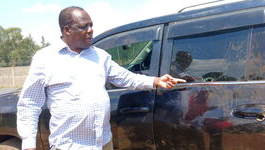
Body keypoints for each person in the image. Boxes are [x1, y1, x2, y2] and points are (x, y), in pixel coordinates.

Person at [16, 6, 186, 150]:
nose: (90, 31)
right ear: (67, 30)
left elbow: (125, 78)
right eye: (84, 27)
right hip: (69, 145)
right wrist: (29, 144)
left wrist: (155, 81)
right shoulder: (45, 59)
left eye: (91, 25)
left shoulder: (100, 56)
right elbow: (30, 103)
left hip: (103, 142)